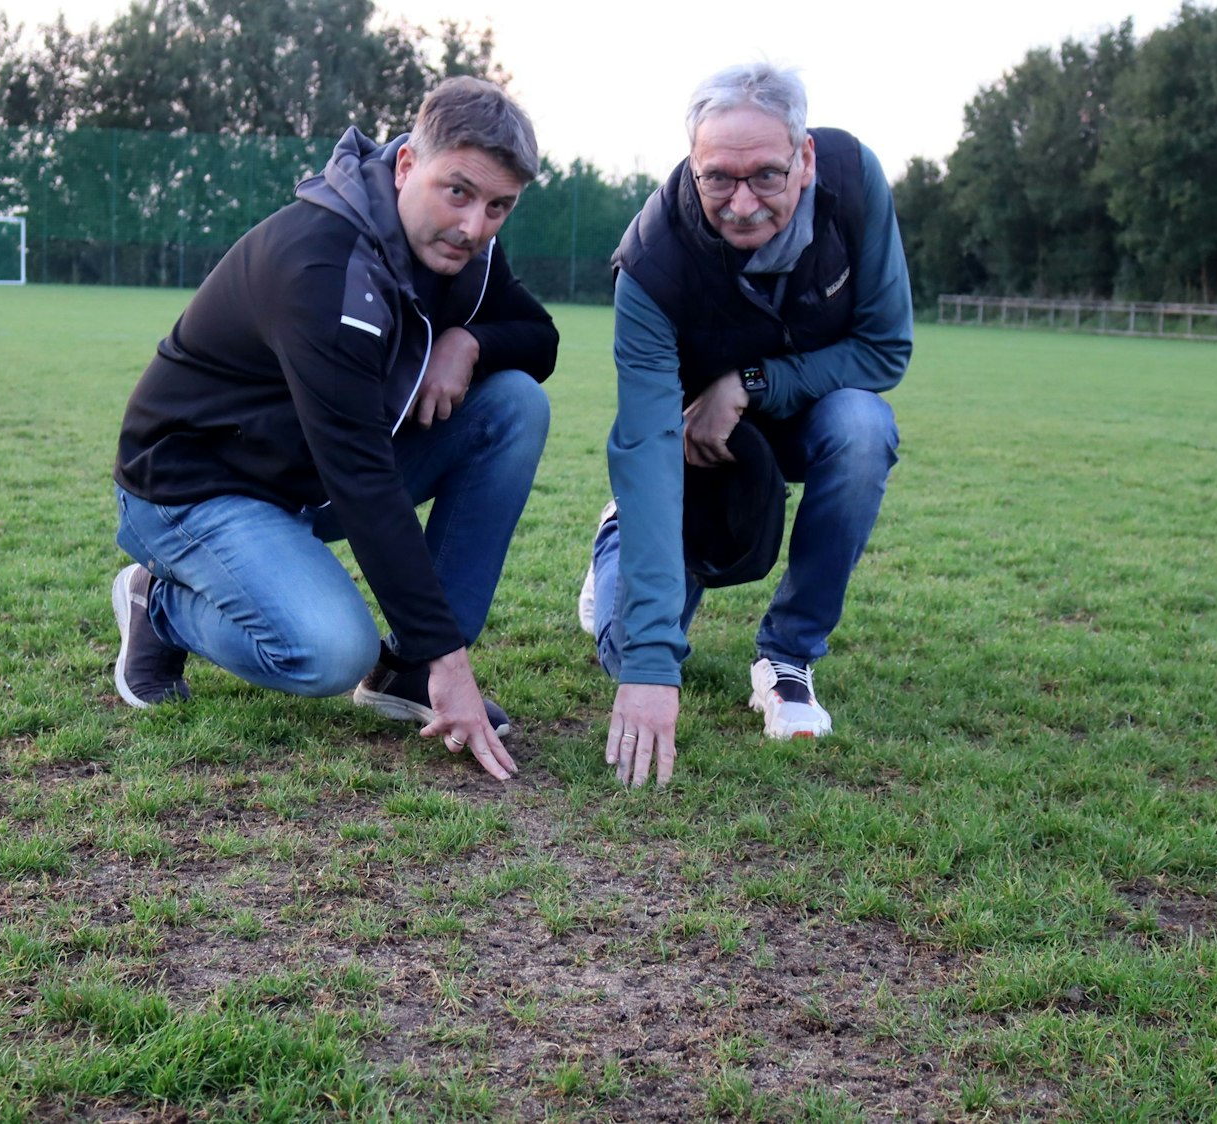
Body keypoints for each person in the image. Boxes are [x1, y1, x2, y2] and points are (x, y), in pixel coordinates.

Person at [110, 77, 558, 783]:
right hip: (194, 486)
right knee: (328, 653)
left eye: (498, 206)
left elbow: (540, 339)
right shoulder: (321, 264)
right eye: (458, 192)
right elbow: (362, 476)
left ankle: (407, 669)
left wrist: (469, 342)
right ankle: (157, 605)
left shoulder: (465, 251)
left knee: (513, 405)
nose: (474, 227)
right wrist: (453, 661)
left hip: (305, 477)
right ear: (406, 165)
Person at [581, 62, 913, 787]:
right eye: (718, 180)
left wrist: (751, 383)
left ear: (805, 159)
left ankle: (788, 656)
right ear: (692, 164)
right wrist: (650, 666)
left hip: (808, 417)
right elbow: (645, 443)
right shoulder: (650, 261)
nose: (740, 204)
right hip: (693, 442)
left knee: (863, 427)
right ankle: (619, 535)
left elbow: (885, 349)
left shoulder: (853, 184)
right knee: (627, 650)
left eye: (765, 175)